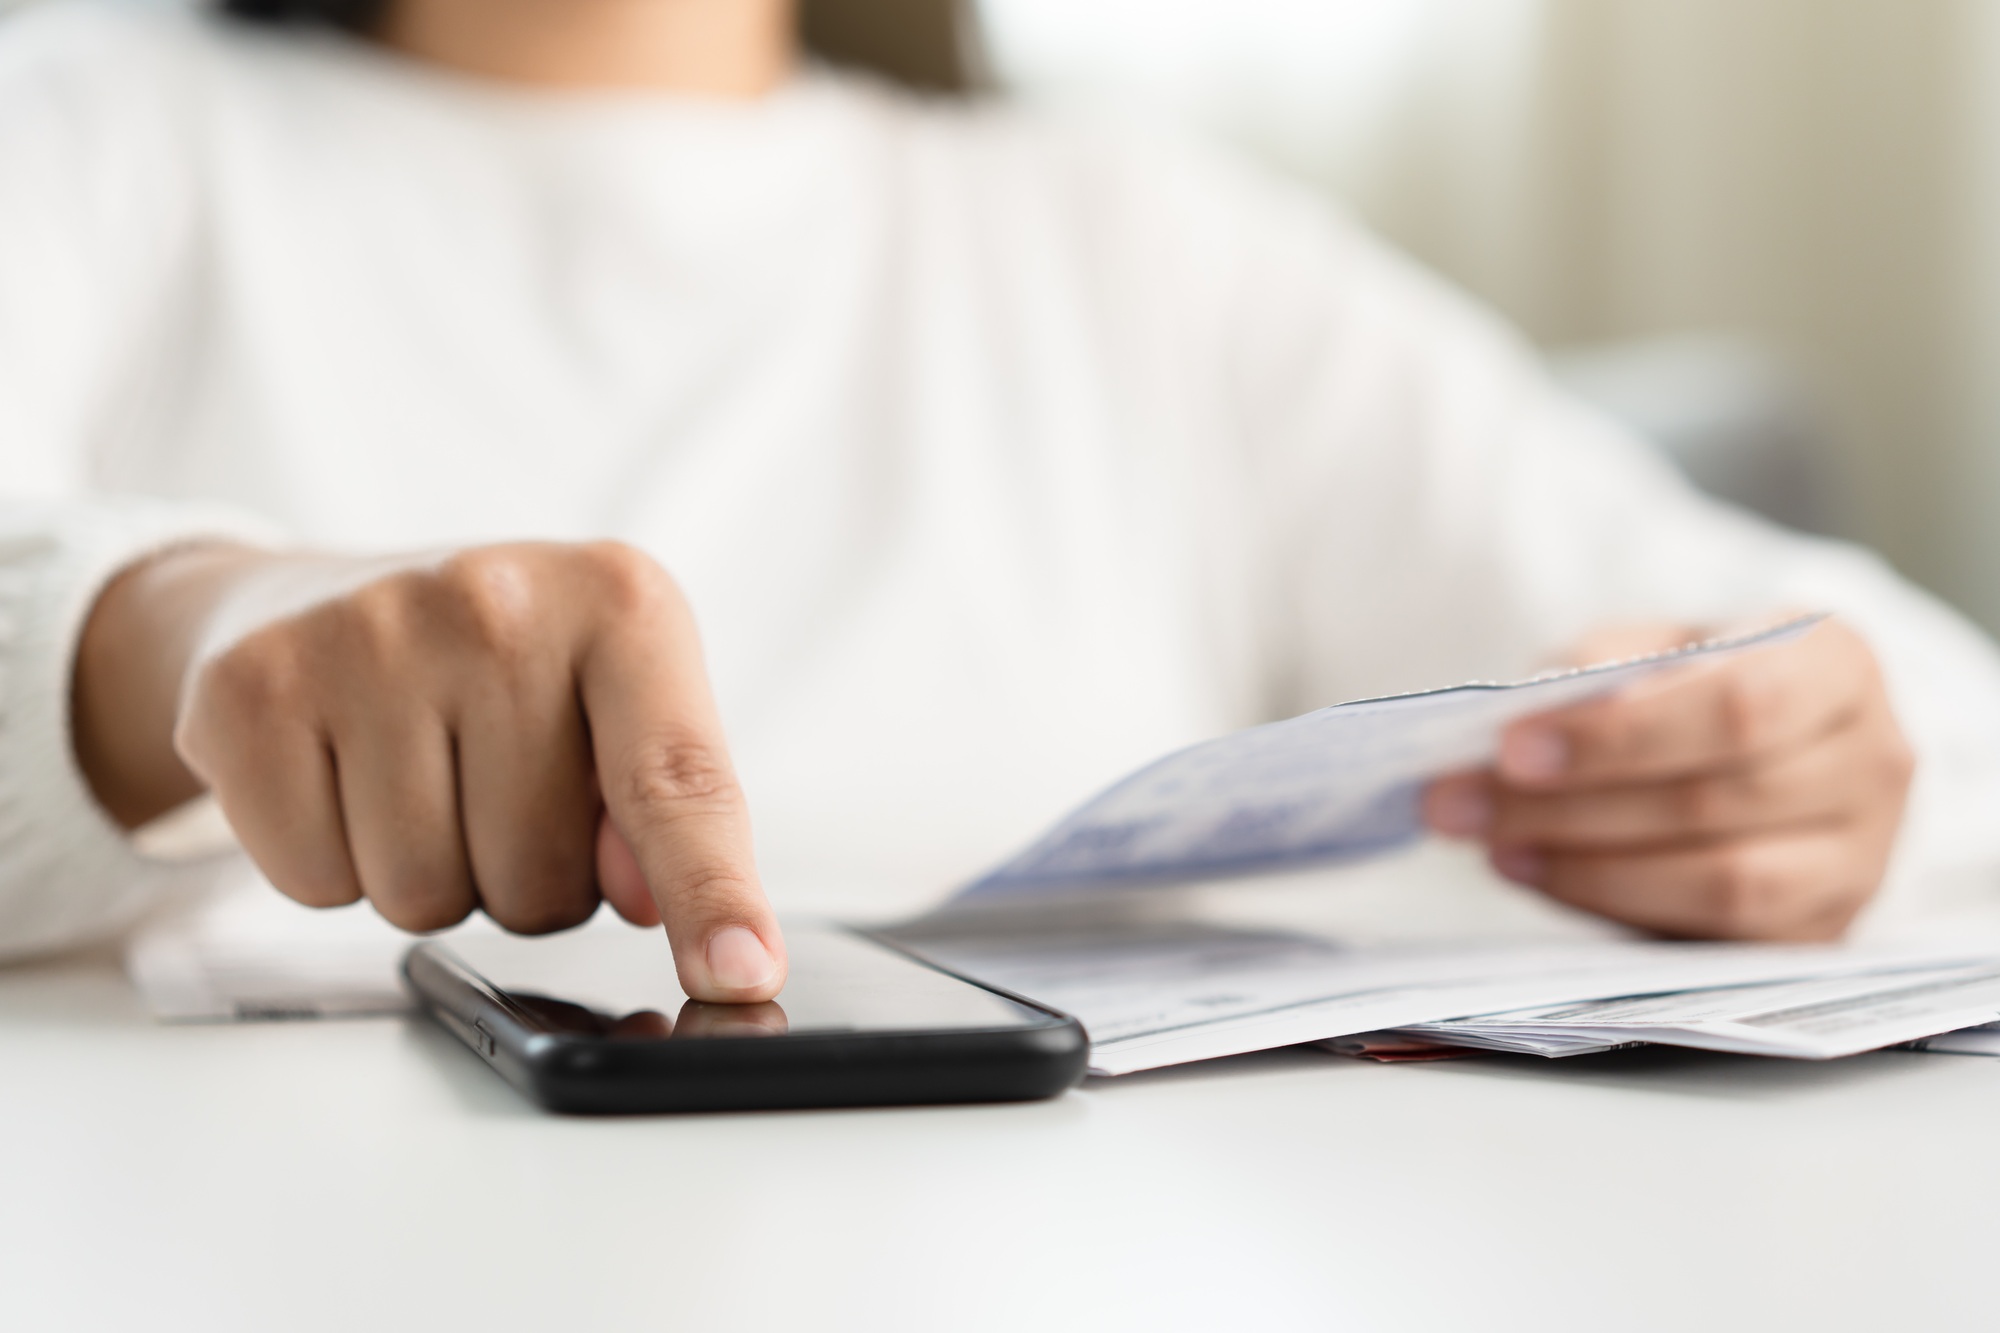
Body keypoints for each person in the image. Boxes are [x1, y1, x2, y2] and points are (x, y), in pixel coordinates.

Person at [3, 0, 1997, 1006]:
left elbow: (1910, 699)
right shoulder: (90, 135)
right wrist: (174, 636)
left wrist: (1820, 757)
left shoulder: (1128, 238)